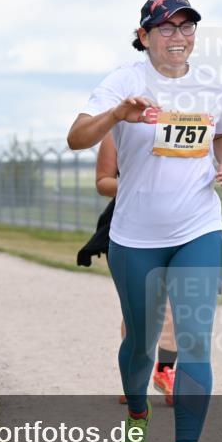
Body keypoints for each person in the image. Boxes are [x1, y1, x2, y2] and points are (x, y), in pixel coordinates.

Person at [67, 0, 222, 442]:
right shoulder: (124, 80)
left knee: (193, 340)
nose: (179, 37)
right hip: (135, 235)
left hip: (199, 228)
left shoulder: (213, 84)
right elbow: (77, 138)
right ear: (144, 36)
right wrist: (118, 114)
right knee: (140, 343)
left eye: (187, 27)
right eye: (167, 28)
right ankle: (138, 415)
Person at [77, 132, 179, 406]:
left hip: (178, 225)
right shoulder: (119, 129)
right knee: (138, 308)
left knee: (175, 300)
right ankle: (135, 377)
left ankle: (165, 370)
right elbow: (103, 182)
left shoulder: (186, 124)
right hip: (127, 227)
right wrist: (140, 186)